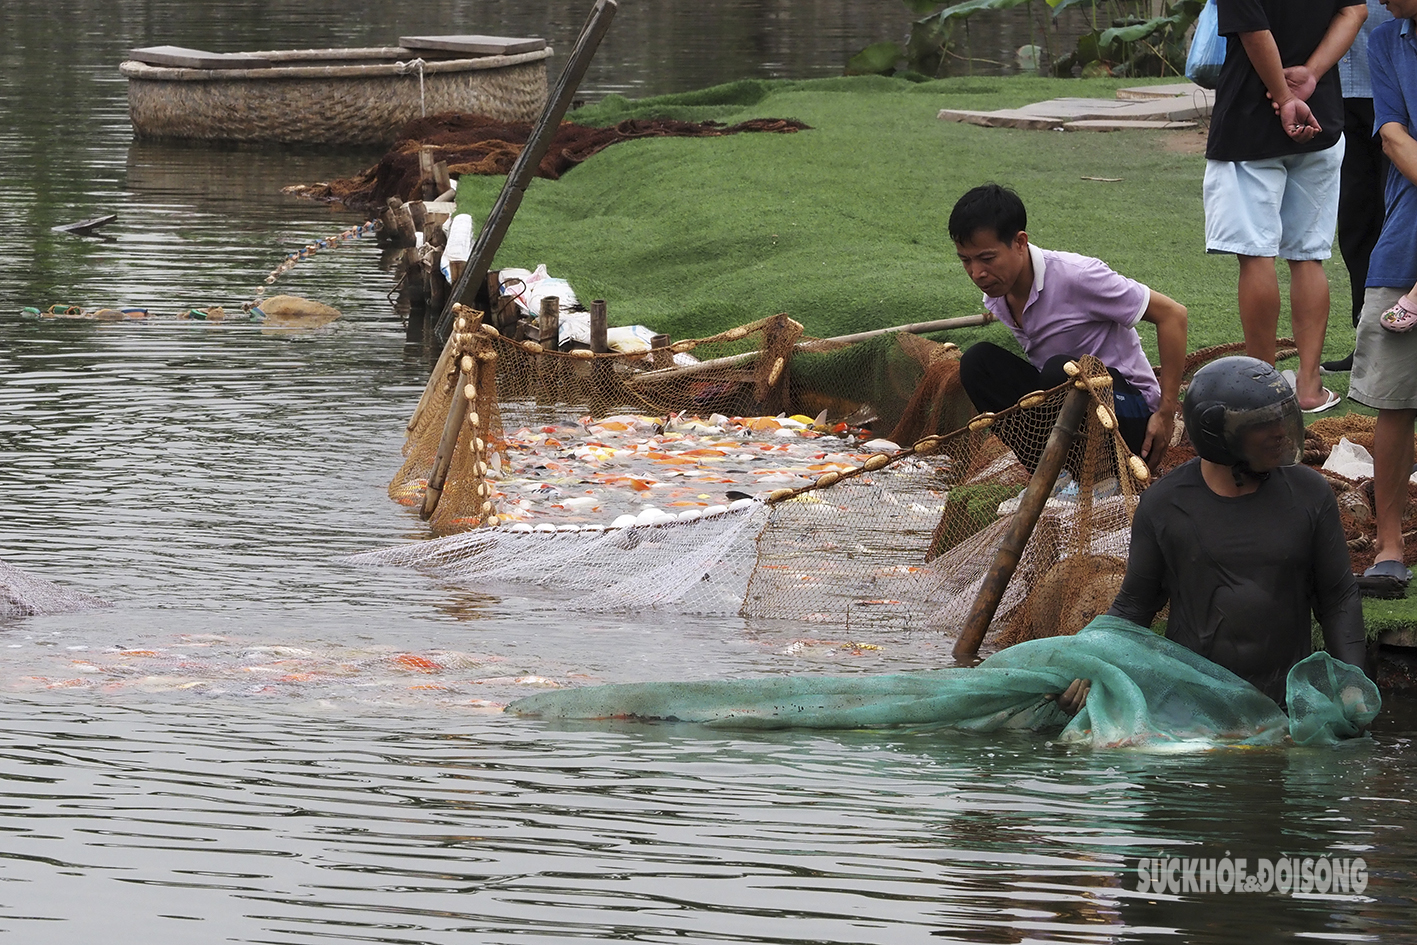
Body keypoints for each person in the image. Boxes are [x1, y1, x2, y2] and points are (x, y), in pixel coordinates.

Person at [1097, 357, 1367, 710]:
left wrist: (1353, 687)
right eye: (1264, 424)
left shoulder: (1310, 494)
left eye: (1283, 417)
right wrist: (1093, 664)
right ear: (1218, 433)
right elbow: (1134, 606)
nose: (1281, 432)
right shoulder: (1164, 505)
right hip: (1194, 711)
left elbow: (1338, 599)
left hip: (1285, 710)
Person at [950, 184, 1187, 473]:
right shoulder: (998, 295)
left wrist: (1164, 414)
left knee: (1060, 371)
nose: (977, 273)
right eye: (966, 260)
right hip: (1069, 411)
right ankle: (1055, 473)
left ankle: (1100, 475)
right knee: (978, 363)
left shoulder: (1078, 276)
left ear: (1021, 242)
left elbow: (1173, 315)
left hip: (1131, 418)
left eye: (987, 258)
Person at [1204, 0, 1367, 412]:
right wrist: (1310, 74)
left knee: (1256, 255)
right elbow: (1354, 11)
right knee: (1308, 255)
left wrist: (1282, 94)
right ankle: (1309, 387)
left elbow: (1252, 28)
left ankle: (1264, 389)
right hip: (1322, 115)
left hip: (1250, 116)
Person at [1347, 0, 1417, 598]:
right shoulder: (1388, 39)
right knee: (1394, 398)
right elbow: (1392, 134)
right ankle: (1389, 544)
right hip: (1406, 242)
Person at [1323, 0, 1395, 373]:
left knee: (1395, 217)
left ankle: (1400, 340)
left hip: (1393, 90)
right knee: (1355, 221)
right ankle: (1366, 340)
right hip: (1337, 95)